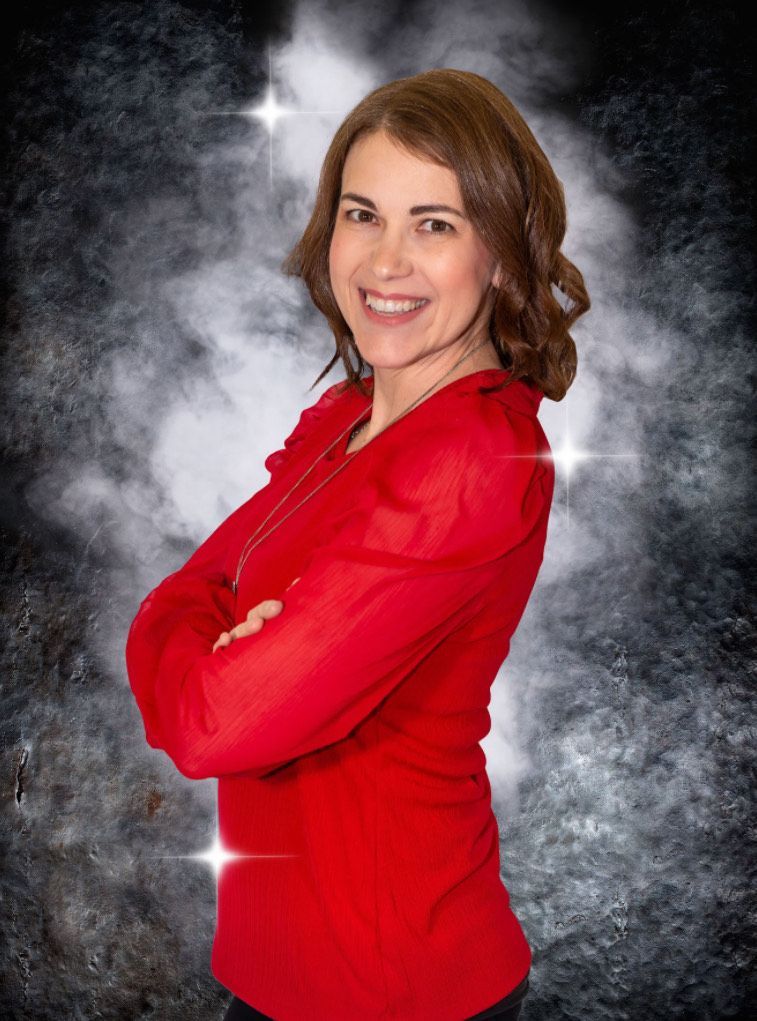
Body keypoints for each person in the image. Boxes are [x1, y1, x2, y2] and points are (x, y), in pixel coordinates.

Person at [125, 68, 590, 1021]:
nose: (383, 261)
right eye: (361, 213)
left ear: (500, 253)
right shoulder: (344, 422)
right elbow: (178, 595)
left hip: (392, 989)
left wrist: (235, 652)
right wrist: (227, 644)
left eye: (435, 224)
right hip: (270, 975)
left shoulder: (475, 451)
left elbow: (215, 724)